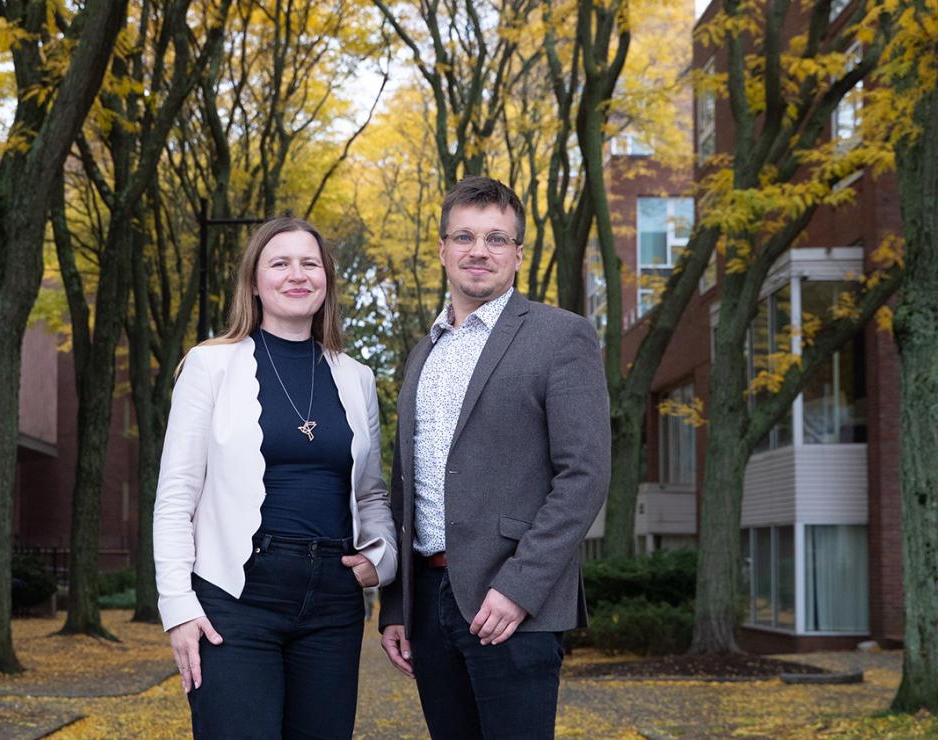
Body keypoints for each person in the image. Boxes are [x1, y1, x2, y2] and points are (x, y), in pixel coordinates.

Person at [378, 176, 611, 739]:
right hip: (429, 606)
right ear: (442, 249)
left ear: (518, 254)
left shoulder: (561, 337)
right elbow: (405, 484)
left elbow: (584, 474)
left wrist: (519, 588)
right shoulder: (422, 353)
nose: (478, 250)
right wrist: (394, 605)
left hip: (513, 608)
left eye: (496, 239)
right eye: (464, 236)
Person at [154, 216, 398, 738]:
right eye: (280, 263)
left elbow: (370, 491)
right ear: (255, 280)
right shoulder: (209, 365)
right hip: (235, 594)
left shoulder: (356, 378)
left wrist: (383, 558)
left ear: (326, 279)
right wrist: (177, 606)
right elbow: (177, 494)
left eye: (310, 263)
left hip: (333, 599)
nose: (297, 274)